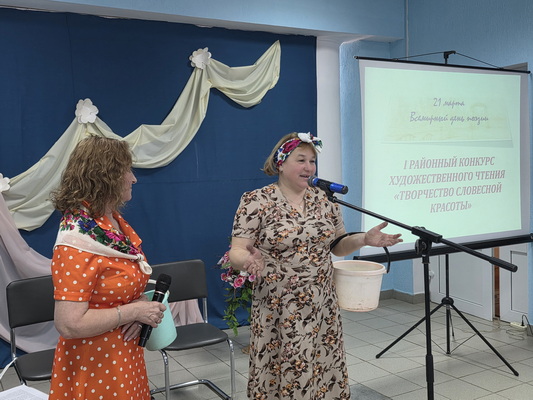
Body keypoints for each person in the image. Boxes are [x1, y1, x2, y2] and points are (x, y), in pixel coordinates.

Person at [229, 132, 402, 400]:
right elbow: (237, 250)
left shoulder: (324, 200)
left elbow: (338, 245)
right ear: (280, 163)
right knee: (287, 369)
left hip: (322, 302)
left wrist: (364, 239)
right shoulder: (256, 200)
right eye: (301, 160)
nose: (309, 167)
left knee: (322, 367)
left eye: (312, 161)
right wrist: (247, 260)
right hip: (279, 304)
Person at [48, 136, 166, 400]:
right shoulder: (77, 239)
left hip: (124, 353)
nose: (133, 179)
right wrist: (133, 311)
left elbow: (119, 290)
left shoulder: (110, 222)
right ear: (106, 176)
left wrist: (139, 308)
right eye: (127, 171)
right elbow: (69, 324)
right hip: (94, 362)